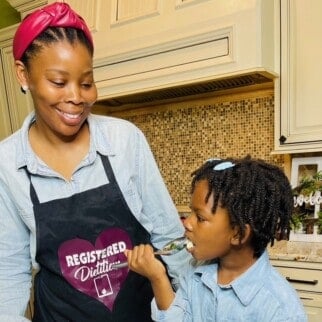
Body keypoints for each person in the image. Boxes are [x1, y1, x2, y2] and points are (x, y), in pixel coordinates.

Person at [0, 2, 190, 321]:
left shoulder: (123, 140)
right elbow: (7, 274)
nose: (77, 97)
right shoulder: (7, 163)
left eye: (86, 82)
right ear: (24, 74)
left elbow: (170, 240)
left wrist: (190, 309)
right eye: (59, 82)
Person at [125, 156, 308, 321]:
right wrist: (158, 277)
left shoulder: (281, 310)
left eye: (200, 218)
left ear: (238, 234)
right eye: (191, 213)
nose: (187, 223)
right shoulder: (195, 271)